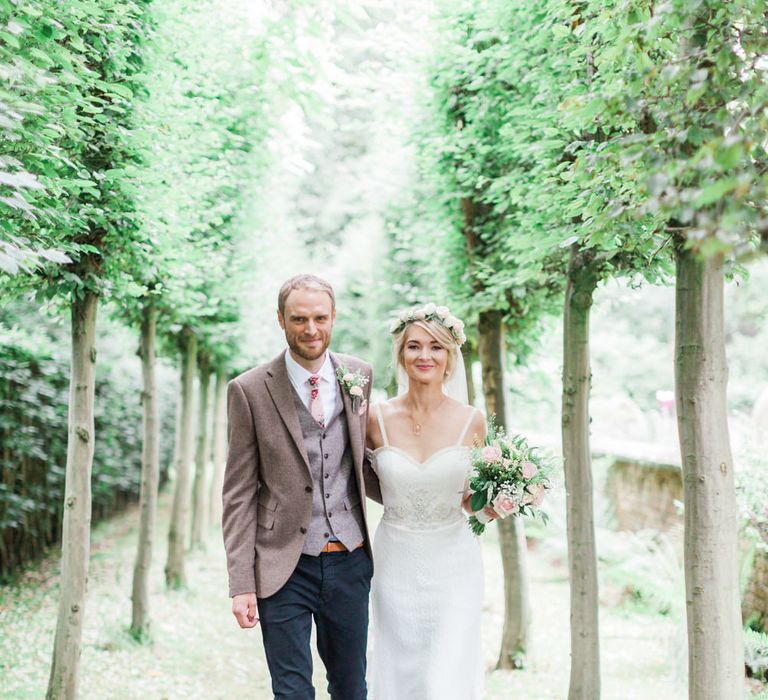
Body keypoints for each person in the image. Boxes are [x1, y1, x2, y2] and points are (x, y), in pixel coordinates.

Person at [222, 274, 379, 700]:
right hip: (281, 566)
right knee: (291, 692)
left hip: (349, 560)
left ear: (333, 317)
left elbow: (368, 463)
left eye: (320, 318)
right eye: (299, 319)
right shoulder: (249, 389)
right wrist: (241, 583)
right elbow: (237, 493)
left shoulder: (358, 376)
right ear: (280, 320)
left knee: (351, 688)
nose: (311, 329)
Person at [365, 303, 494, 700]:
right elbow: (364, 484)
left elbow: (472, 499)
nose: (425, 356)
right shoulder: (374, 418)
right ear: (401, 355)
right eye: (414, 346)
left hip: (454, 564)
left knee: (445, 675)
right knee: (399, 670)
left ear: (450, 356)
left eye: (436, 347)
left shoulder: (473, 420)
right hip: (394, 562)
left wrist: (496, 503)